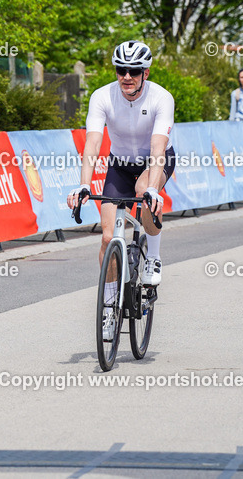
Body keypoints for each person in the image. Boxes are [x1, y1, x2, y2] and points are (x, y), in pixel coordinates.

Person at [66, 40, 175, 341]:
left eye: (133, 71)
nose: (126, 76)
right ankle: (110, 304)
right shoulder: (102, 96)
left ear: (146, 72)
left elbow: (158, 147)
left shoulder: (161, 98)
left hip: (154, 162)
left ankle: (152, 256)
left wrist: (153, 188)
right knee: (107, 236)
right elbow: (92, 143)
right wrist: (85, 184)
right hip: (119, 164)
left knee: (144, 191)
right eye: (120, 70)